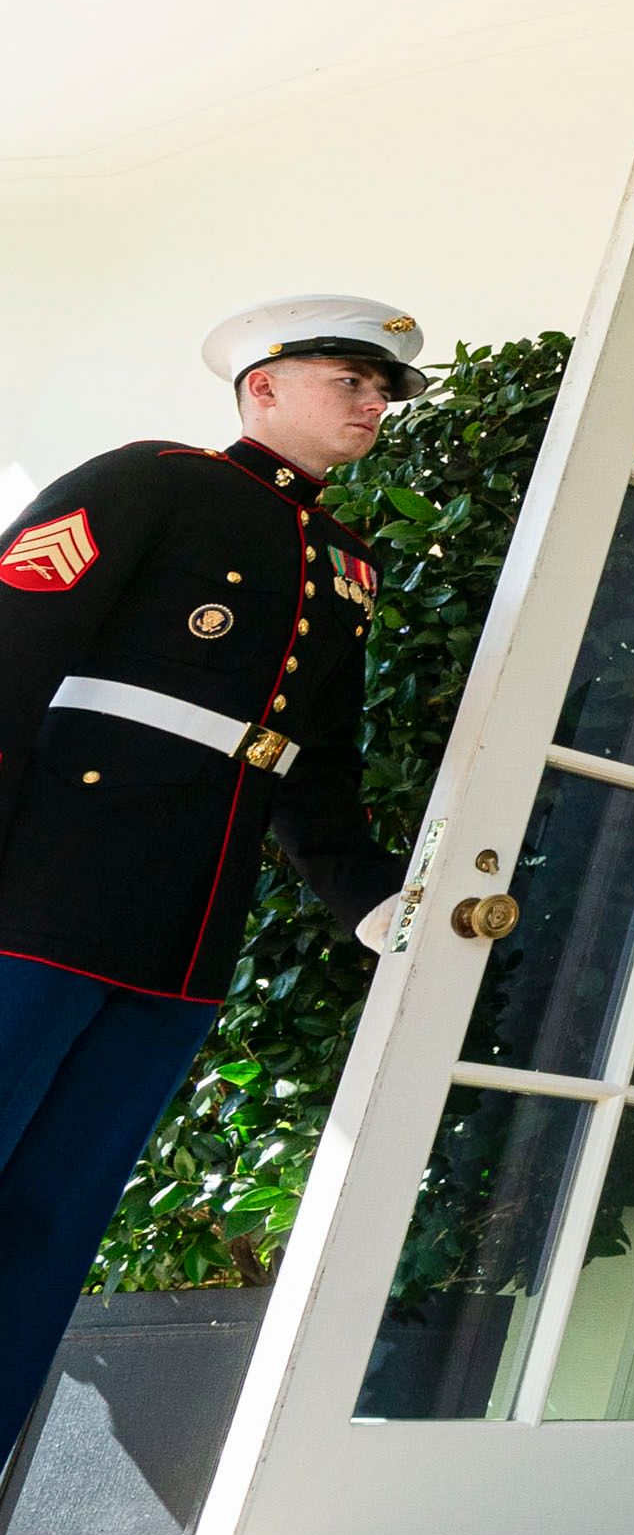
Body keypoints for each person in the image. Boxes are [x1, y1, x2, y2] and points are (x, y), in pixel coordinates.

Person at [0, 299, 426, 1453]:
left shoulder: (348, 567)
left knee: (53, 1222)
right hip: (36, 899)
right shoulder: (153, 481)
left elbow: (312, 768)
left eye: (384, 389)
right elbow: (10, 653)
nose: (374, 405)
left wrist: (372, 903)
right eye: (350, 379)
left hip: (182, 934)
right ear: (263, 386)